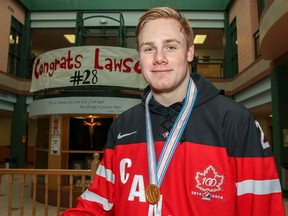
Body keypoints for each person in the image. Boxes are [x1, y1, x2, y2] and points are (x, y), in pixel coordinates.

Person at [62, 7, 286, 216]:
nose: (159, 58)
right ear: (140, 57)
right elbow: (96, 204)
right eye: (149, 48)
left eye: (170, 46)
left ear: (189, 52)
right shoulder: (123, 126)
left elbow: (263, 209)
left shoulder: (235, 121)